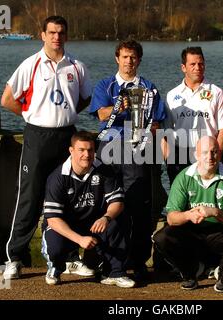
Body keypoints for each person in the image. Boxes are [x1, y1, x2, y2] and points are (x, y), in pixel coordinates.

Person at [1, 16, 93, 280]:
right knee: (29, 198)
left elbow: (84, 99)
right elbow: (7, 99)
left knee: (69, 198)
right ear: (42, 35)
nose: (56, 37)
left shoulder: (77, 66)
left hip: (67, 137)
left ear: (66, 35)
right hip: (37, 137)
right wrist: (31, 115)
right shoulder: (31, 64)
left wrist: (65, 115)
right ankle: (15, 258)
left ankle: (70, 257)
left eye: (61, 33)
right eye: (51, 32)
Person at [89, 40, 166, 280]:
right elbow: (100, 114)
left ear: (139, 60)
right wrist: (119, 109)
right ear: (117, 59)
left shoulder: (149, 87)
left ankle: (138, 261)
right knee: (105, 206)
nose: (128, 61)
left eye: (133, 57)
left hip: (137, 150)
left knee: (138, 209)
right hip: (109, 148)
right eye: (124, 57)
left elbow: (157, 121)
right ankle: (102, 259)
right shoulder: (105, 84)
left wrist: (146, 128)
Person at [153, 136, 223, 292]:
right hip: (192, 233)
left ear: (219, 153)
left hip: (219, 232)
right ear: (196, 155)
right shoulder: (184, 177)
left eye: (214, 152)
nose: (210, 157)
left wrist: (215, 212)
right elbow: (172, 218)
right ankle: (189, 274)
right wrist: (188, 215)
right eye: (205, 152)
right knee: (161, 237)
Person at [41, 131, 135, 287]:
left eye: (90, 150)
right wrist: (79, 239)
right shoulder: (57, 177)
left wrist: (106, 217)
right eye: (81, 150)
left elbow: (117, 202)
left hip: (94, 223)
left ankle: (114, 273)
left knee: (119, 217)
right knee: (55, 243)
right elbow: (53, 219)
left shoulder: (104, 170)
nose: (87, 155)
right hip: (66, 226)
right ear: (71, 151)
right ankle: (55, 267)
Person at [162, 46, 223, 185]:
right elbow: (166, 131)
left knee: (205, 201)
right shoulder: (172, 95)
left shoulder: (217, 92)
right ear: (183, 67)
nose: (197, 67)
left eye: (201, 64)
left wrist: (217, 157)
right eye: (192, 64)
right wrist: (168, 159)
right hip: (179, 155)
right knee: (180, 204)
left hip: (207, 154)